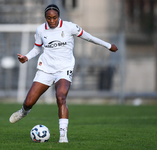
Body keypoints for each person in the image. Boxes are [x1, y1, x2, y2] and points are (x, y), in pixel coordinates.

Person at [9, 4, 118, 143]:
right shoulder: (41, 30)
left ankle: (63, 136)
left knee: (61, 97)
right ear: (45, 18)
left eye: (54, 18)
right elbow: (37, 49)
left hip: (64, 68)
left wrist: (109, 46)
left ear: (59, 16)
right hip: (46, 69)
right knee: (29, 101)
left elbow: (89, 37)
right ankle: (24, 111)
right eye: (49, 18)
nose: (52, 21)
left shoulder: (70, 27)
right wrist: (26, 57)